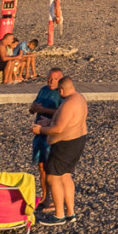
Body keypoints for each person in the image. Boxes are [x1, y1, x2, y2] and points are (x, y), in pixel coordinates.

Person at [40, 75, 87, 223]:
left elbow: (58, 129)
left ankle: (59, 215)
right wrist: (49, 121)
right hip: (77, 141)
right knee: (66, 175)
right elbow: (68, 122)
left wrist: (40, 130)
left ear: (61, 90)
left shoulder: (68, 104)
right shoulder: (79, 98)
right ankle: (70, 213)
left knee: (53, 177)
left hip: (65, 145)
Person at [28, 66, 66, 178]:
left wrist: (43, 110)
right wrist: (34, 109)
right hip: (39, 133)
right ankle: (45, 195)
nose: (51, 81)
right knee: (41, 165)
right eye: (49, 78)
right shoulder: (43, 90)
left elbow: (63, 114)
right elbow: (32, 109)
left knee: (51, 166)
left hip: (52, 132)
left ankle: (55, 193)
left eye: (55, 79)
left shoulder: (61, 94)